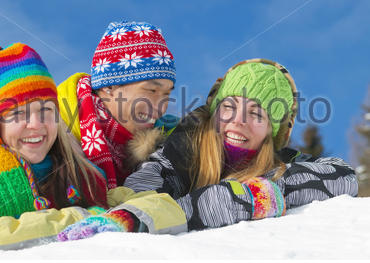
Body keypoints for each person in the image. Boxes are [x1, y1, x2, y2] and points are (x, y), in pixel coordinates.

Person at [0, 43, 185, 258]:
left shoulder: (75, 170)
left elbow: (164, 208)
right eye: (18, 114)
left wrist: (124, 219)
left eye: (45, 111)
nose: (35, 126)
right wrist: (78, 219)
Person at [121, 58, 358, 231]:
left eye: (256, 114)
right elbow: (136, 199)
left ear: (271, 132)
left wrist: (255, 193)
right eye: (229, 107)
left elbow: (344, 176)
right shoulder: (181, 150)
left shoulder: (283, 164)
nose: (238, 121)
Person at [57, 21, 178, 190]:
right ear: (109, 87)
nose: (160, 109)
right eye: (151, 90)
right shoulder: (49, 135)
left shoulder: (171, 139)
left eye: (167, 94)